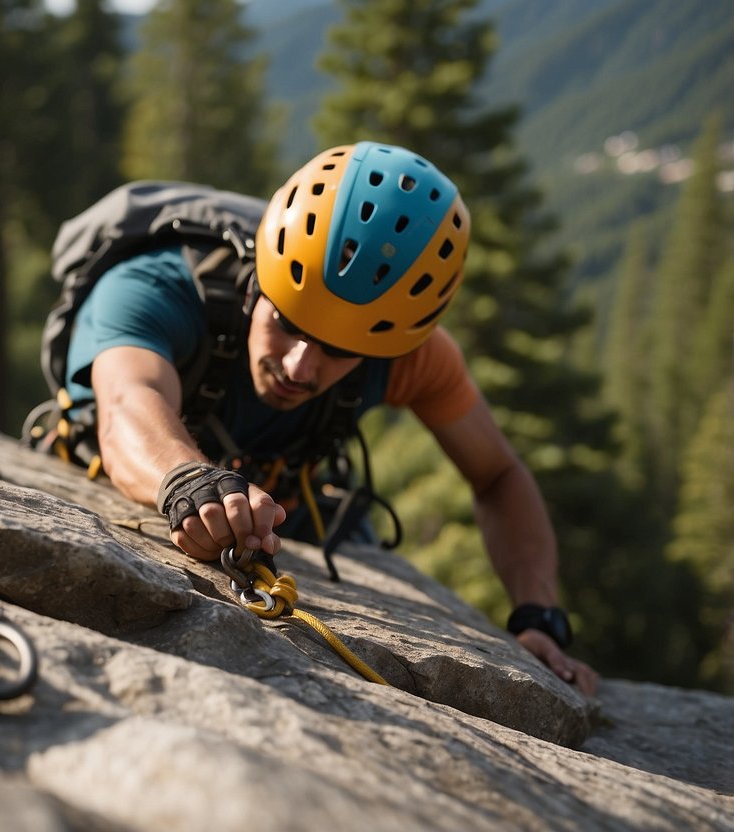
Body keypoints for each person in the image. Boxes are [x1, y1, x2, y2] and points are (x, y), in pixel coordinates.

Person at [59, 141, 598, 695]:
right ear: (256, 285)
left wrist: (538, 616)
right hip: (167, 478)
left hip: (294, 501)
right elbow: (127, 399)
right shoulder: (156, 286)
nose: (299, 366)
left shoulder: (404, 346)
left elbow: (498, 475)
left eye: (338, 351)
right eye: (286, 323)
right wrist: (188, 482)